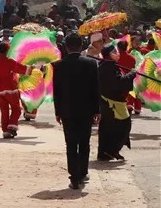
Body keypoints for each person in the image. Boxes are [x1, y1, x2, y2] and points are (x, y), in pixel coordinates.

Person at [51, 33, 100, 190]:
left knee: (71, 144)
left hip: (67, 111)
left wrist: (58, 111)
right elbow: (96, 88)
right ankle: (83, 172)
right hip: (86, 110)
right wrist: (97, 110)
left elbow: (57, 91)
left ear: (66, 47)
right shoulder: (91, 63)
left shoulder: (58, 65)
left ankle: (74, 176)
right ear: (81, 46)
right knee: (84, 142)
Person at [96, 44, 136, 161]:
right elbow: (119, 83)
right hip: (112, 103)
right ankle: (112, 150)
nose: (117, 54)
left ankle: (107, 151)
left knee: (108, 128)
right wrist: (131, 74)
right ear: (109, 54)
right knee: (122, 126)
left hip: (110, 102)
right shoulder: (108, 67)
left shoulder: (107, 65)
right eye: (115, 52)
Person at [0, 42, 32, 139]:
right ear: (7, 51)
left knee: (4, 111)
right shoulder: (9, 61)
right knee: (16, 109)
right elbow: (23, 69)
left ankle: (5, 131)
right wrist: (33, 67)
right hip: (10, 88)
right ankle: (11, 128)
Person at [116, 39, 142, 116]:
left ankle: (127, 107)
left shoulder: (116, 58)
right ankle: (137, 108)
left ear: (118, 48)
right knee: (134, 93)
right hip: (130, 78)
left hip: (120, 78)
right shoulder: (132, 58)